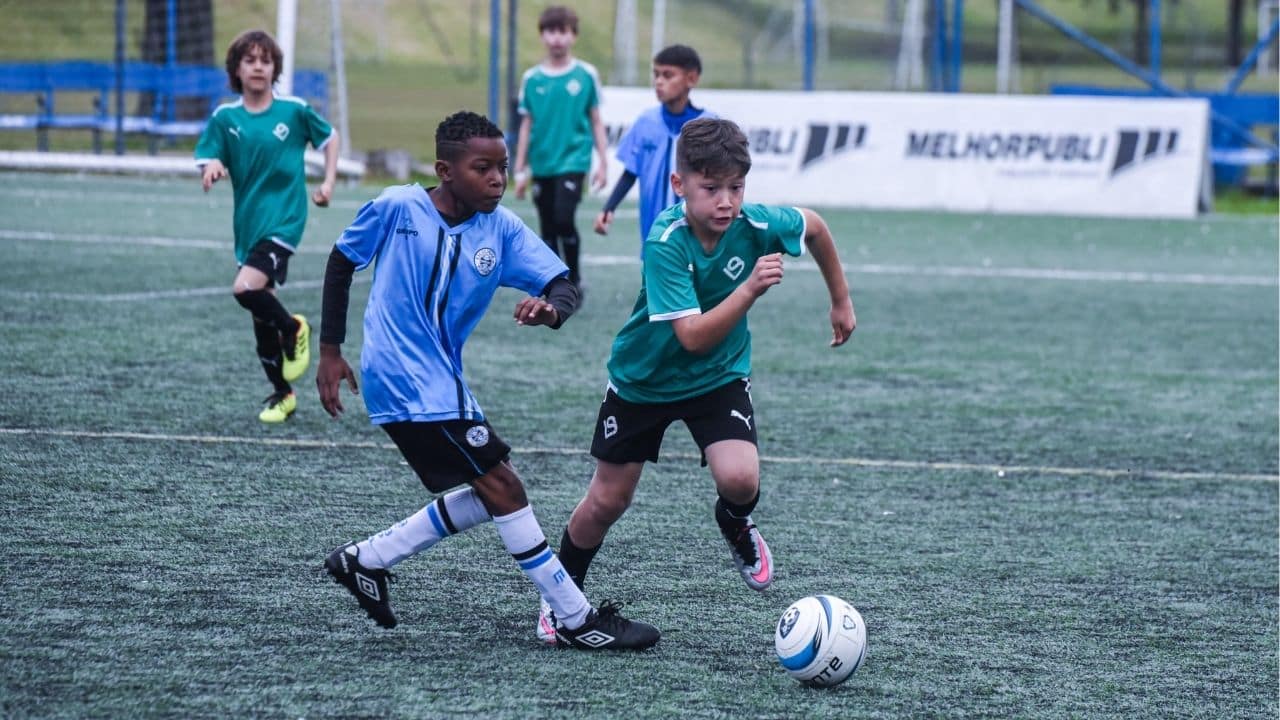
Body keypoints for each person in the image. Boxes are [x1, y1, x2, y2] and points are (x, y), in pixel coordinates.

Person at [317, 111, 659, 651]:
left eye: (502, 167)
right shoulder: (397, 206)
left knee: (489, 491)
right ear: (445, 170)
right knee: (504, 486)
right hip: (404, 380)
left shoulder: (500, 229)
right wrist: (330, 352)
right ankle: (574, 617)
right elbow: (341, 262)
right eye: (483, 168)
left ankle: (365, 560)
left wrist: (550, 309)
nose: (498, 179)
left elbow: (563, 284)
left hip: (442, 382)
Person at [535, 117, 857, 643]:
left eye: (736, 187)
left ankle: (734, 521)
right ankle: (561, 599)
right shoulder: (666, 241)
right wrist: (750, 289)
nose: (726, 201)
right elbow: (691, 337)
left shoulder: (755, 224)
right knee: (607, 501)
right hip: (645, 380)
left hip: (717, 376)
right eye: (711, 188)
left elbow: (815, 226)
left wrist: (840, 300)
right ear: (679, 185)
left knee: (741, 479)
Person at [195, 28, 339, 424]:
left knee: (244, 289)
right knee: (259, 317)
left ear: (274, 68)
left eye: (265, 60)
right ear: (236, 69)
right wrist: (212, 166)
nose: (258, 67)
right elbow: (208, 155)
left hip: (285, 220)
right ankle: (283, 393)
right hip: (248, 225)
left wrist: (327, 182)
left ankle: (294, 328)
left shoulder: (293, 110)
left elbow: (330, 138)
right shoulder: (226, 118)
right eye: (250, 60)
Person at [513, 5, 607, 290]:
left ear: (573, 36)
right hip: (542, 163)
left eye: (562, 32)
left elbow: (596, 120)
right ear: (542, 36)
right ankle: (556, 284)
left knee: (564, 219)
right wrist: (519, 167)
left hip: (573, 161)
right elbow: (526, 124)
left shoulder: (586, 74)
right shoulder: (532, 79)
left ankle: (575, 279)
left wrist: (603, 162)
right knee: (547, 228)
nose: (556, 38)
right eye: (550, 31)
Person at [594, 44, 712, 247]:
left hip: (698, 234)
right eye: (656, 74)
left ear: (691, 79)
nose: (658, 82)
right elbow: (631, 172)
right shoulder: (645, 122)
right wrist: (609, 208)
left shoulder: (710, 125)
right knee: (654, 275)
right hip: (654, 232)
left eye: (667, 75)